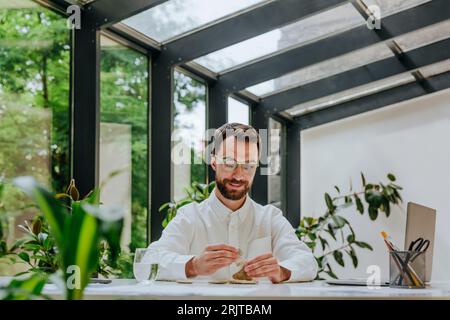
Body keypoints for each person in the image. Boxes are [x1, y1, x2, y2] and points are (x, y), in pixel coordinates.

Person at [149, 123, 317, 283]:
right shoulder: (190, 217)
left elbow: (308, 262)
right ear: (214, 162)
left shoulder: (270, 218)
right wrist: (193, 266)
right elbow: (151, 259)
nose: (239, 175)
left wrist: (281, 271)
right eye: (230, 163)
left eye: (248, 165)